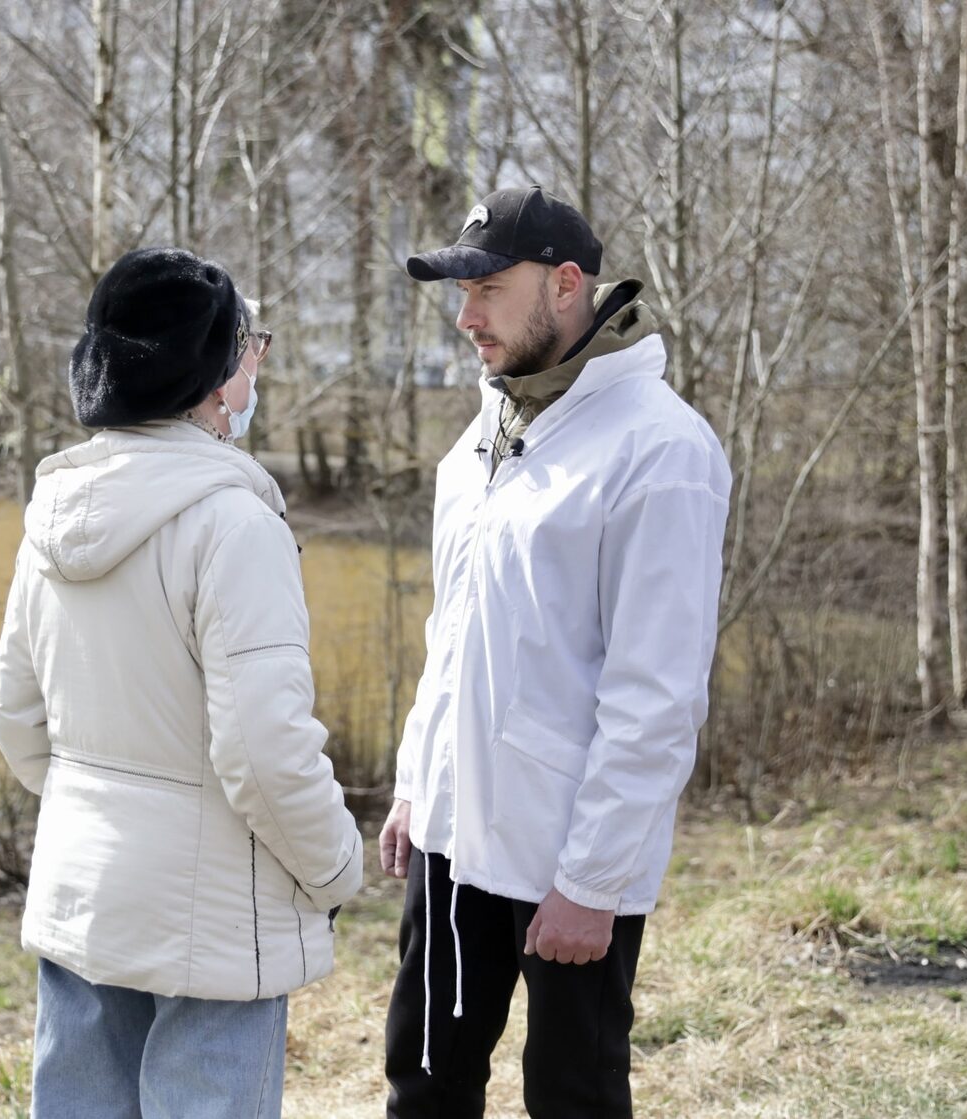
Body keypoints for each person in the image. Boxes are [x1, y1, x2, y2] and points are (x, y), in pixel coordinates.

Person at [378, 186, 731, 1119]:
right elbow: (450, 635)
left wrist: (592, 879)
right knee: (423, 1086)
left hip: (566, 858)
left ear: (567, 283)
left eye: (488, 288)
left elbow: (655, 697)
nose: (466, 317)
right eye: (462, 293)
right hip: (453, 840)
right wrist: (418, 782)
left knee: (571, 1096)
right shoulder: (484, 435)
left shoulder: (660, 450)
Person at [0, 246, 363, 1119]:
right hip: (214, 919)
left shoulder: (54, 511)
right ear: (213, 375)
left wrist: (106, 808)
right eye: (248, 346)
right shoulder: (234, 522)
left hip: (84, 893)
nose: (255, 365)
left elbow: (16, 719)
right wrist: (336, 867)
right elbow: (265, 752)